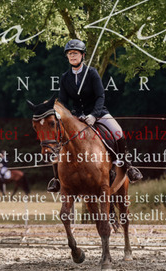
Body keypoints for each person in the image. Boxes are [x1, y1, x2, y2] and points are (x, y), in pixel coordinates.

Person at [47, 39, 143, 192]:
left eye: (75, 53)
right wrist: (67, 116)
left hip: (98, 113)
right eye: (70, 54)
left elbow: (100, 96)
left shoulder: (91, 73)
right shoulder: (65, 77)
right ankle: (56, 179)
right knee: (59, 138)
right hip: (77, 117)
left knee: (118, 132)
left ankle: (128, 166)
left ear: (83, 55)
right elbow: (63, 101)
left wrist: (93, 115)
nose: (72, 56)